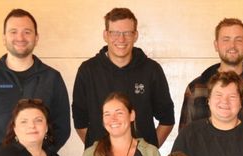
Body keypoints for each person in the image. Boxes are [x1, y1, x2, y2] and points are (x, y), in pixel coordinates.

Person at [0, 8, 71, 156]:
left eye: (27, 32)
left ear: (36, 38)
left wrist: (41, 154)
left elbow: (62, 127)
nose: (20, 37)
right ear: (4, 38)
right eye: (13, 32)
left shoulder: (52, 78)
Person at [72, 7, 174, 148]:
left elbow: (167, 119)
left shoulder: (152, 70)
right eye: (115, 33)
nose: (121, 39)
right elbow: (80, 121)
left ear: (135, 35)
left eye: (127, 33)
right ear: (105, 35)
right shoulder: (87, 71)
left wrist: (148, 152)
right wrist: (100, 152)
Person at [178, 17, 243, 131]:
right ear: (216, 45)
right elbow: (184, 135)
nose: (232, 46)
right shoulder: (196, 88)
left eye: (239, 40)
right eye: (226, 40)